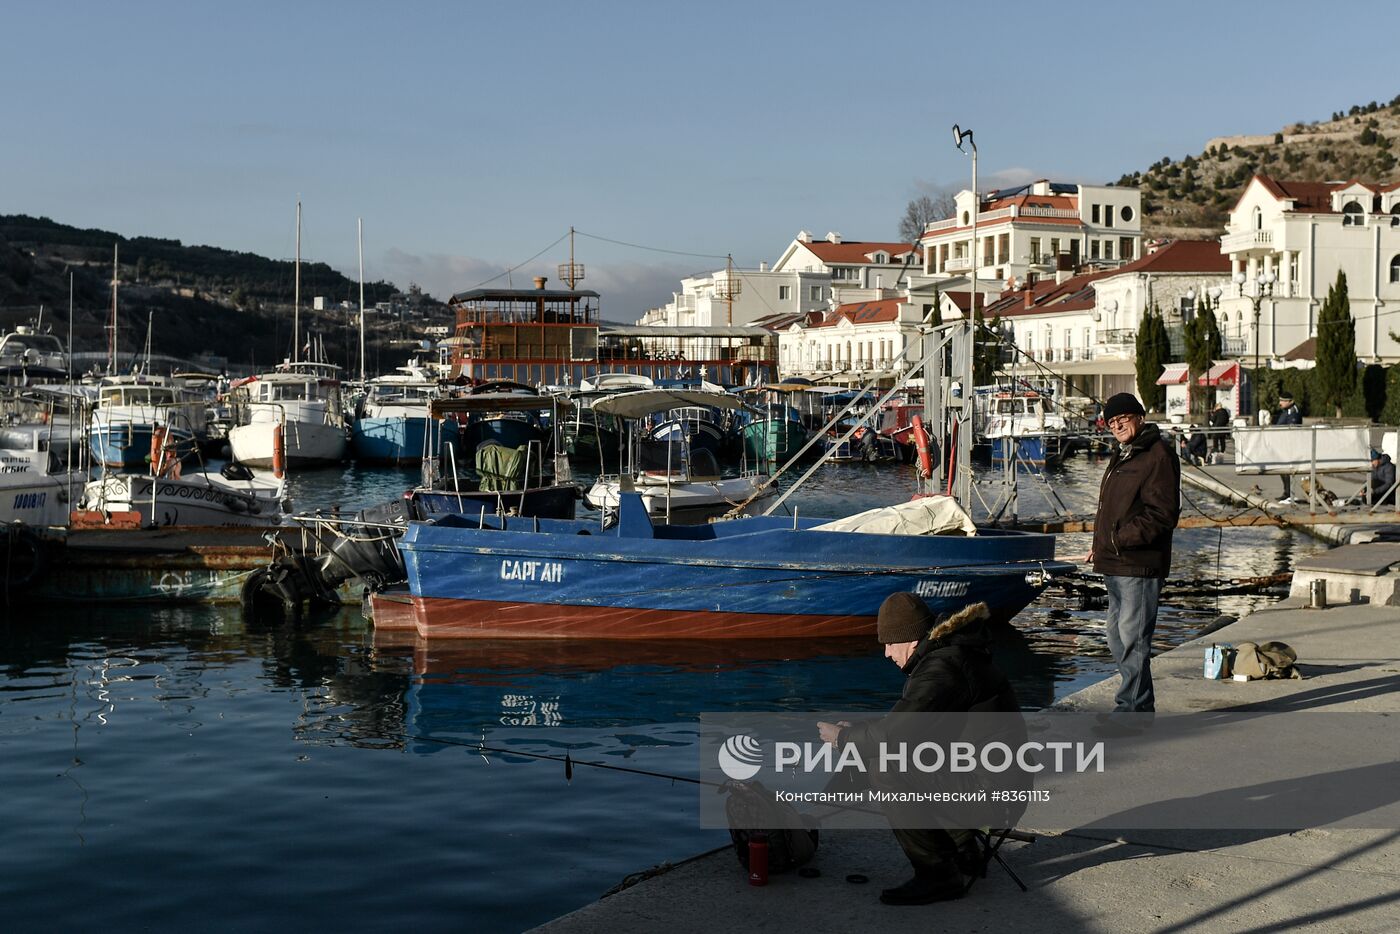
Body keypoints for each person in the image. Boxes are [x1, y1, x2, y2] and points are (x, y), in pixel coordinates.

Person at [817, 593, 1019, 906]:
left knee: (885, 764)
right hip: (994, 782)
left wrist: (843, 739)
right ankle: (964, 848)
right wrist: (855, 731)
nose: (886, 653)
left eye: (888, 643)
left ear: (909, 639)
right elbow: (911, 723)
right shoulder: (951, 655)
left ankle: (938, 874)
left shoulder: (943, 668)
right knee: (879, 747)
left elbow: (894, 736)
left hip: (991, 794)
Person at [1087, 393, 1180, 713]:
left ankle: (1134, 715)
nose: (1116, 425)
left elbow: (1162, 514)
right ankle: (1132, 707)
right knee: (1117, 638)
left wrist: (1116, 540)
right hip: (1116, 562)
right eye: (1110, 422)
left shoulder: (1157, 454)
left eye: (1122, 418)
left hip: (1138, 565)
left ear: (1139, 416)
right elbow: (1114, 510)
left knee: (1132, 642)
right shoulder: (1126, 453)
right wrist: (1100, 546)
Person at [1274, 393, 1302, 503]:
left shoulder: (1293, 411)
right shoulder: (1286, 411)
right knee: (1283, 470)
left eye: (1282, 401)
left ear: (1290, 401)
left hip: (1288, 445)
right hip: (1283, 444)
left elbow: (1292, 428)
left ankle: (1289, 493)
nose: (1280, 403)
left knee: (1286, 470)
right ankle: (1287, 492)